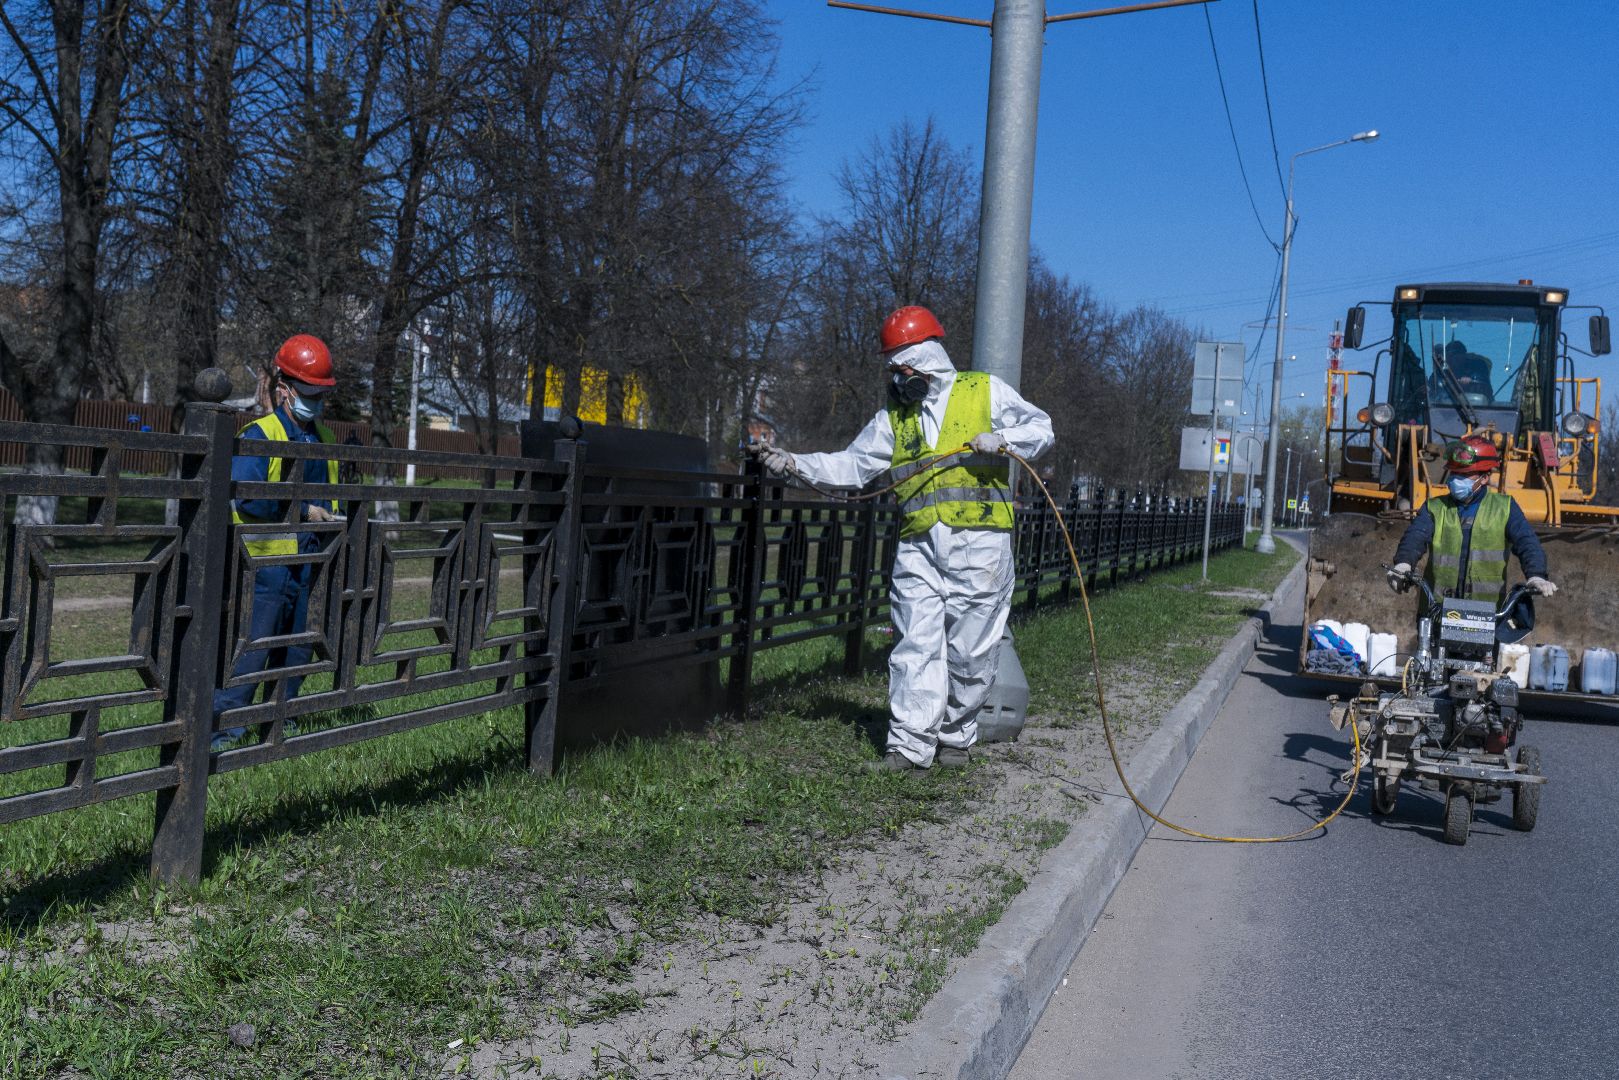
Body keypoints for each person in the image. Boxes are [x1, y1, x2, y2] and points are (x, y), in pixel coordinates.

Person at [759, 305, 1053, 771]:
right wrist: (795, 463)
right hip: (919, 547)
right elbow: (853, 464)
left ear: (926, 357)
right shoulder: (895, 418)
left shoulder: (983, 391)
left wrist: (1003, 439)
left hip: (980, 547)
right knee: (914, 646)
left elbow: (1042, 428)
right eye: (893, 370)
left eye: (903, 367)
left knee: (971, 655)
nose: (899, 378)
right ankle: (910, 747)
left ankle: (956, 735)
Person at [211, 334, 341, 750]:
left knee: (298, 648)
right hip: (265, 565)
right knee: (252, 648)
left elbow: (333, 496)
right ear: (283, 388)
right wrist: (303, 511)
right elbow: (249, 498)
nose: (315, 402)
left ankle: (281, 717)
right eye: (308, 393)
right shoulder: (261, 433)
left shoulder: (325, 439)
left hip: (310, 560)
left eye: (320, 395)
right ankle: (226, 727)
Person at [1387, 433, 1555, 603]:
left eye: (1465, 474)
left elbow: (1526, 541)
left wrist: (1536, 575)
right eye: (1454, 473)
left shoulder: (1505, 508)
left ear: (1485, 478)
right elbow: (1416, 536)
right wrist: (1403, 563)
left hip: (1486, 611)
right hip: (1437, 607)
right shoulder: (1434, 507)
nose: (1456, 480)